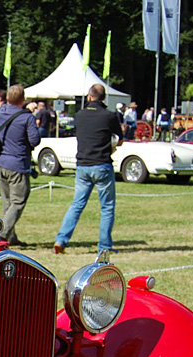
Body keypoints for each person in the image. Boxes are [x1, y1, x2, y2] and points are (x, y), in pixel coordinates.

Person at [54, 83, 122, 255]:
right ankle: (104, 246)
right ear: (104, 98)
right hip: (102, 164)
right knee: (107, 207)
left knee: (77, 204)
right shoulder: (109, 115)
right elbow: (120, 137)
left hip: (83, 165)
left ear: (89, 97)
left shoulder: (80, 115)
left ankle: (61, 239)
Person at [0, 84, 40, 246]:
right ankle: (2, 234)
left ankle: (11, 237)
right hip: (18, 164)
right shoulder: (26, 117)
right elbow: (35, 140)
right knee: (18, 201)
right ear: (23, 99)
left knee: (7, 202)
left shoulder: (2, 113)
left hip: (2, 162)